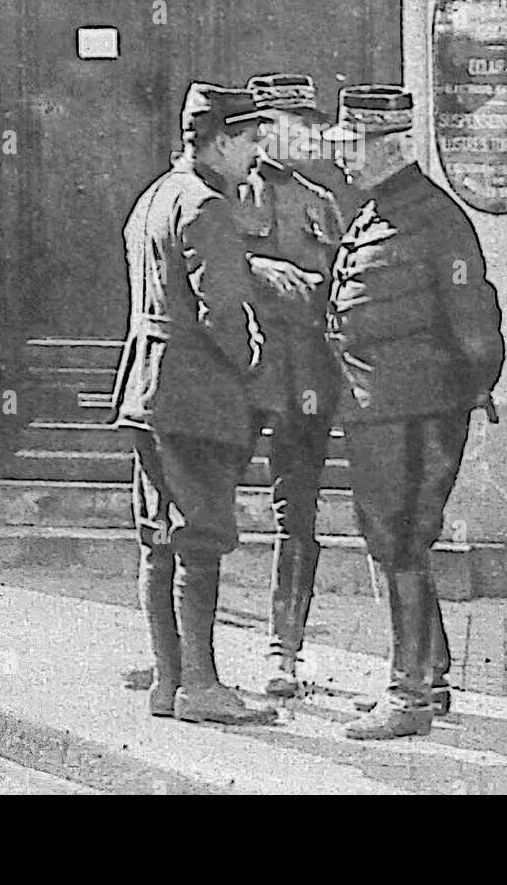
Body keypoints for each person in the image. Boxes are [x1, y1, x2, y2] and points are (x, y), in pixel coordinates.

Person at [323, 86, 505, 739]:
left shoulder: (434, 219)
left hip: (416, 413)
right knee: (396, 542)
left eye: (354, 148)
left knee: (399, 543)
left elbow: (475, 324)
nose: (342, 160)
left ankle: (406, 698)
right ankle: (430, 672)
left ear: (391, 148)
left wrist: (460, 393)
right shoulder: (376, 212)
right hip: (378, 410)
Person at [109, 83, 276, 726]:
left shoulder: (155, 197)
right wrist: (251, 366)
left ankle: (168, 682)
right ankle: (201, 688)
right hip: (195, 395)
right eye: (251, 140)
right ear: (222, 140)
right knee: (201, 537)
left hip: (148, 390)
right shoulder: (208, 207)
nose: (257, 154)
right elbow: (223, 313)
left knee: (159, 538)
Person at [236, 73, 345, 697]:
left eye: (308, 123)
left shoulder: (321, 203)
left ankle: (284, 651)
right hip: (242, 371)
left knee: (297, 515)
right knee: (197, 506)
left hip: (305, 377)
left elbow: (337, 286)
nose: (302, 135)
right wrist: (269, 272)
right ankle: (183, 651)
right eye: (287, 123)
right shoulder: (221, 195)